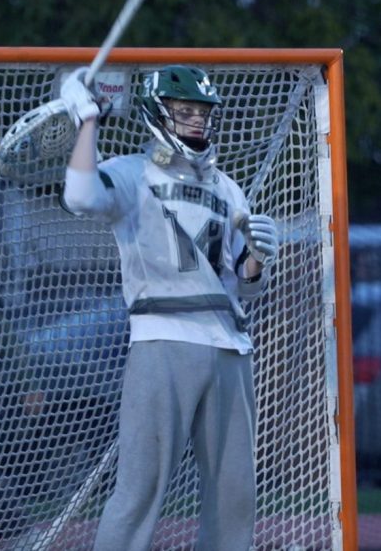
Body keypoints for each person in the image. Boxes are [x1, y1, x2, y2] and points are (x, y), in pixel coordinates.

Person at [59, 65, 279, 551]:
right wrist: (87, 120)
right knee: (140, 490)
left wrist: (258, 258)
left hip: (230, 347)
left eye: (202, 111)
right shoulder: (132, 172)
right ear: (158, 114)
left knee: (235, 496)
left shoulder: (226, 187)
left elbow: (244, 288)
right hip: (164, 340)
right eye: (185, 110)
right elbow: (80, 195)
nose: (197, 120)